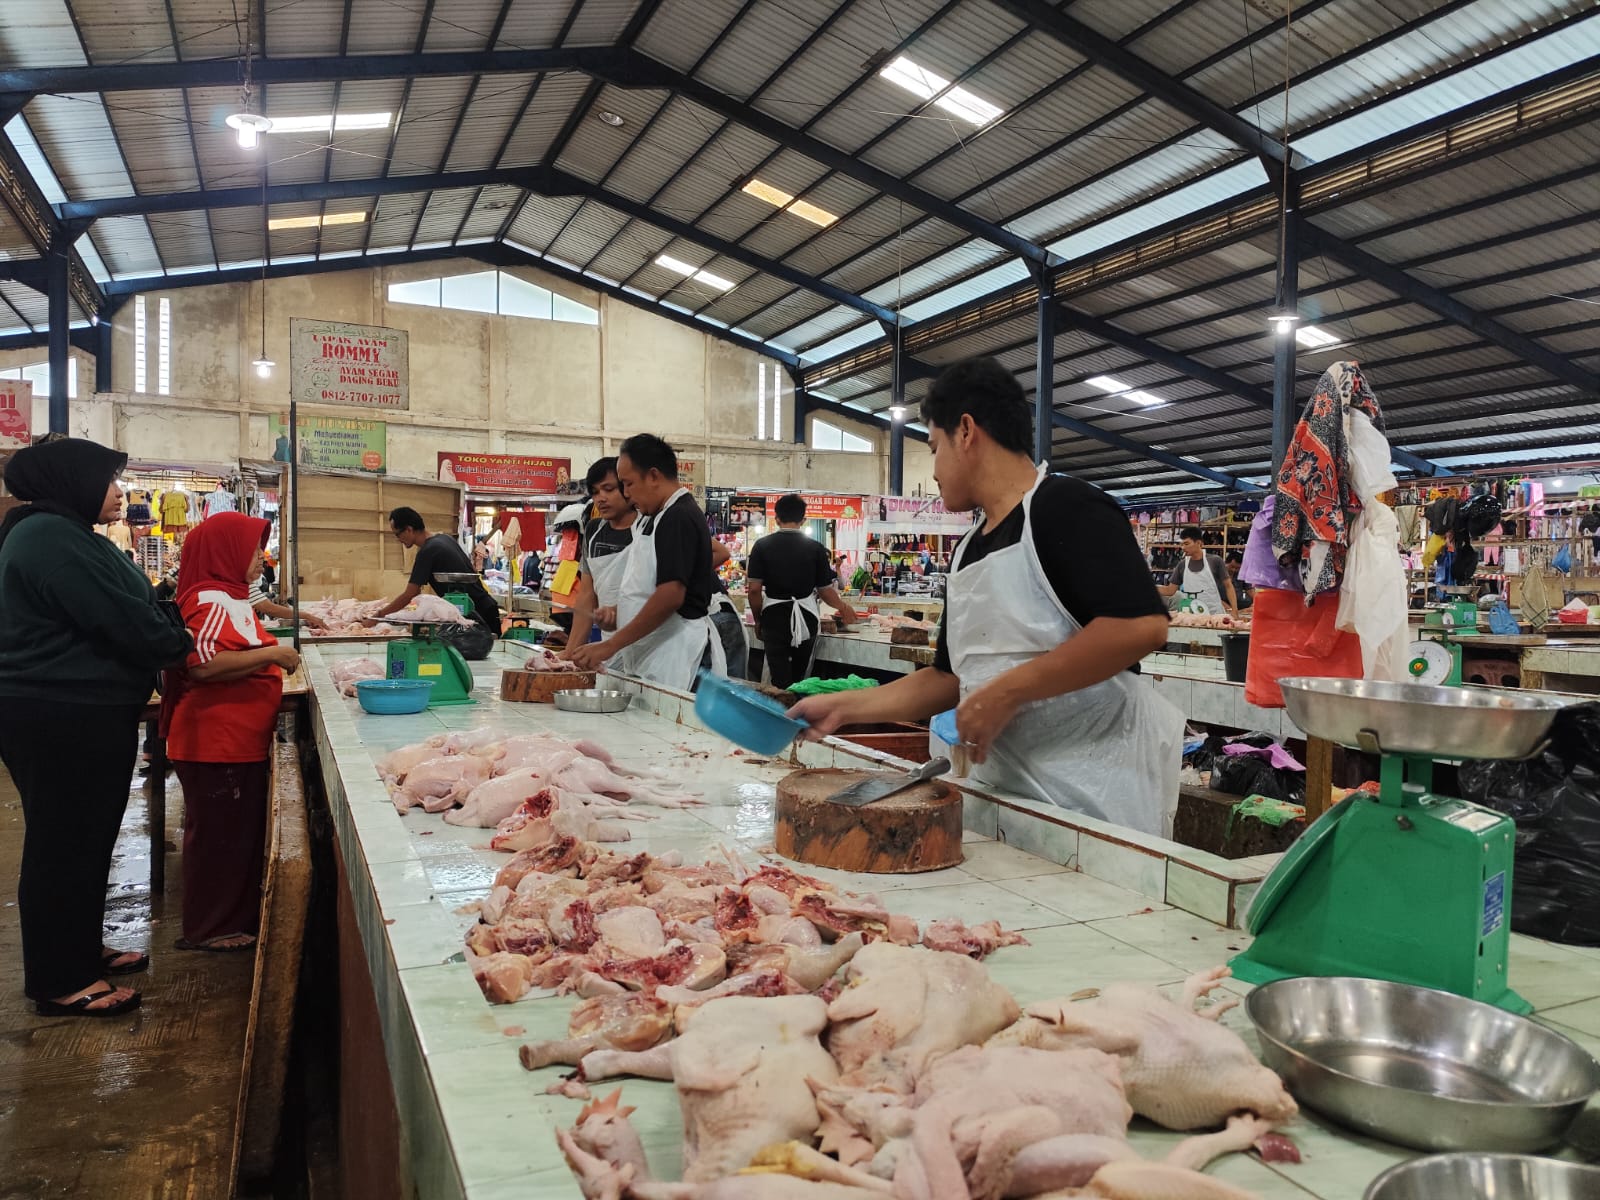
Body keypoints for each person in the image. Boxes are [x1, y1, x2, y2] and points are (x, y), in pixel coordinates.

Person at [788, 357, 1184, 837]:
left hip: (1095, 800)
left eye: (934, 447)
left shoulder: (1067, 508)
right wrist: (845, 707)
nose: (933, 470)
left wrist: (1007, 691)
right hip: (1001, 793)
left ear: (967, 431)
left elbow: (1140, 626)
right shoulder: (967, 550)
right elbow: (950, 677)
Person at [0, 438, 193, 1017]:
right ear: (71, 481)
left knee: (86, 840)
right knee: (64, 843)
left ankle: (81, 950)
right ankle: (59, 980)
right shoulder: (51, 539)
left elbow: (137, 607)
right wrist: (171, 631)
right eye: (108, 480)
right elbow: (136, 625)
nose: (118, 492)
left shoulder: (62, 532)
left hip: (75, 708)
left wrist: (160, 613)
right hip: (60, 710)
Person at [162, 513, 301, 953]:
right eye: (251, 550)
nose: (261, 559)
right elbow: (202, 667)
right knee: (218, 840)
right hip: (214, 742)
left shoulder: (231, 598)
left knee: (233, 836)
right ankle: (209, 928)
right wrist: (272, 656)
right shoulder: (208, 600)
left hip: (234, 743)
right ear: (225, 553)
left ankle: (229, 919)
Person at [567, 434, 727, 689]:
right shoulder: (655, 517)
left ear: (653, 476)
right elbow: (647, 588)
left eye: (628, 484)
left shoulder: (678, 517)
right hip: (657, 651)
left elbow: (670, 595)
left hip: (678, 650)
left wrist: (610, 645)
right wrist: (619, 613)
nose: (627, 494)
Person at [747, 495, 859, 689]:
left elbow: (755, 590)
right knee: (801, 679)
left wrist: (758, 620)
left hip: (774, 618)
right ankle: (799, 713)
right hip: (807, 617)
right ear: (803, 520)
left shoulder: (761, 546)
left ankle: (781, 714)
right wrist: (843, 607)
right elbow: (824, 591)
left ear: (777, 518)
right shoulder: (815, 549)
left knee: (779, 679)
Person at [376, 507, 502, 634]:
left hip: (478, 616)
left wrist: (378, 616)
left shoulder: (428, 551)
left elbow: (410, 594)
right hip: (485, 609)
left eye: (397, 534)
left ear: (409, 529)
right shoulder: (444, 539)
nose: (398, 539)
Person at [569, 457, 637, 648]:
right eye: (595, 492)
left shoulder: (651, 526)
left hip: (653, 640)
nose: (601, 498)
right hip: (611, 641)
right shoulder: (593, 531)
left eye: (609, 489)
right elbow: (586, 595)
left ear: (627, 487)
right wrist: (570, 653)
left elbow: (717, 552)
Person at [1157, 526, 1238, 617]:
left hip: (1215, 614)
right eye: (1182, 544)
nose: (1183, 547)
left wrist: (1234, 610)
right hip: (1191, 616)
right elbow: (1170, 590)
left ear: (1198, 543)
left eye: (1186, 544)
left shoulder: (1215, 561)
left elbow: (1228, 586)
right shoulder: (1182, 565)